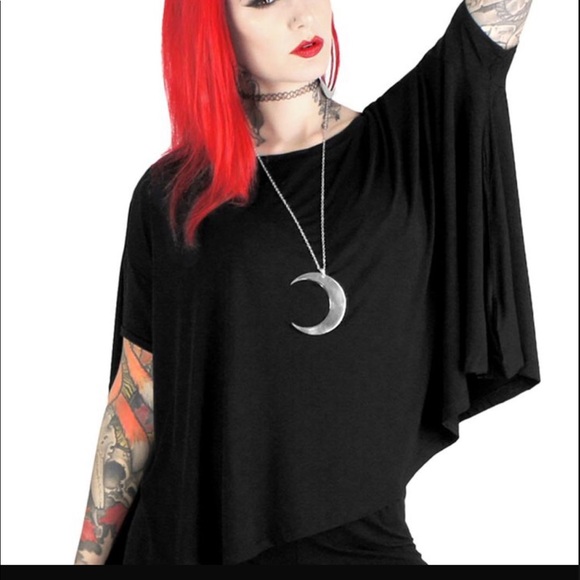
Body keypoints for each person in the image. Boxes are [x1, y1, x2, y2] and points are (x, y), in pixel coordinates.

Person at [74, 0, 540, 565]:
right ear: (209, 23)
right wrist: (86, 560)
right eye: (264, 0)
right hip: (189, 545)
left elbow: (492, 22)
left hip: (364, 546)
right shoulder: (172, 194)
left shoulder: (405, 139)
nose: (302, 15)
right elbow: (137, 394)